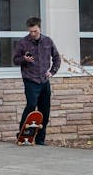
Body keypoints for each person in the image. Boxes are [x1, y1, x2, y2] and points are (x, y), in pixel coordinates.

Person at [12, 17, 61, 145]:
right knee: (31, 104)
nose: (33, 34)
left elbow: (57, 58)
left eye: (35, 31)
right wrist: (24, 59)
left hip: (44, 80)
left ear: (40, 28)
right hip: (30, 79)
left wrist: (52, 71)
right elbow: (15, 60)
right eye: (31, 31)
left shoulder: (48, 41)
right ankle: (22, 132)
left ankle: (40, 139)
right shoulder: (23, 43)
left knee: (45, 109)